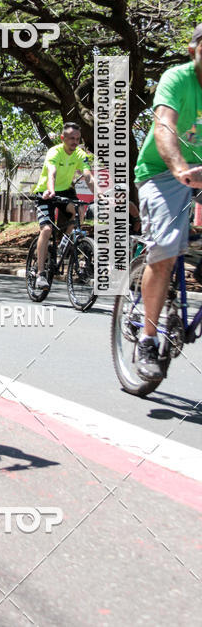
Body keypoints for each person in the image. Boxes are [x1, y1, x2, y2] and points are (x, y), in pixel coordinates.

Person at [133, 24, 202, 379]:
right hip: (162, 172)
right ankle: (147, 338)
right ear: (194, 50)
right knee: (165, 251)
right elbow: (165, 129)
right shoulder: (177, 78)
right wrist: (180, 169)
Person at [31, 122, 99, 290]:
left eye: (77, 139)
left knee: (80, 212)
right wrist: (51, 190)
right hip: (45, 193)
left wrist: (101, 195)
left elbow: (88, 176)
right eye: (71, 138)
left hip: (65, 192)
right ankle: (40, 273)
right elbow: (51, 173)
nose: (75, 142)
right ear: (63, 138)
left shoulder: (79, 154)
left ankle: (63, 245)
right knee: (46, 230)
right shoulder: (54, 152)